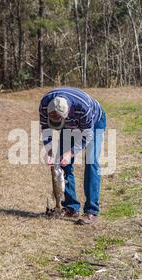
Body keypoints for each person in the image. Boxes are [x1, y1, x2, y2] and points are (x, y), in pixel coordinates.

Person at [39, 87, 106, 225]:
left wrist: (70, 153)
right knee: (63, 163)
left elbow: (87, 135)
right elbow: (46, 129)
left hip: (94, 123)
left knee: (91, 161)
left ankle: (91, 211)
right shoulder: (45, 104)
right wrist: (50, 151)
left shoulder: (83, 106)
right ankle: (71, 207)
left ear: (67, 112)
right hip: (69, 125)